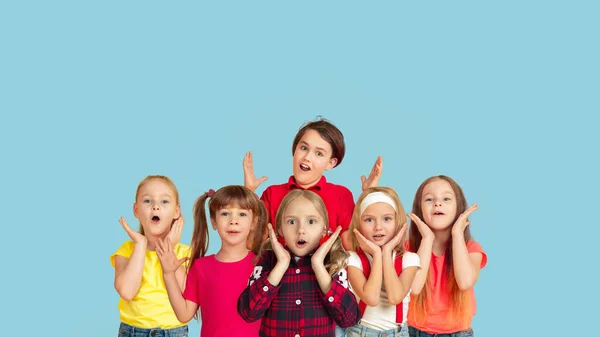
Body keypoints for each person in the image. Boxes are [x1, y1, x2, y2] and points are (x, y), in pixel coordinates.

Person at [238, 190, 361, 337]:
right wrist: (280, 266)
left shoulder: (333, 263)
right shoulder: (267, 261)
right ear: (280, 229)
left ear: (324, 230)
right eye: (291, 222)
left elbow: (349, 319)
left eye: (311, 221)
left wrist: (319, 268)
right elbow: (248, 313)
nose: (301, 230)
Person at [156, 185, 265, 337]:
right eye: (225, 213)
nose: (233, 221)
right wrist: (168, 273)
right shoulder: (201, 267)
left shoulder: (263, 265)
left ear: (253, 223)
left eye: (242, 214)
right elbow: (184, 314)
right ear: (214, 221)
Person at [407, 176, 488, 337]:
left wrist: (457, 234)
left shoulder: (472, 248)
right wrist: (427, 240)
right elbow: (414, 287)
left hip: (458, 333)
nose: (438, 203)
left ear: (458, 208)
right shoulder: (409, 248)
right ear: (419, 209)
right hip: (413, 332)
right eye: (429, 199)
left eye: (446, 198)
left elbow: (465, 282)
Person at [111, 175, 189, 337]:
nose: (155, 207)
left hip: (174, 332)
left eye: (164, 201)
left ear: (176, 211)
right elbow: (126, 291)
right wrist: (140, 245)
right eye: (147, 201)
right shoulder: (126, 251)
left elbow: (184, 295)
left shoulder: (186, 253)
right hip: (132, 332)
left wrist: (169, 249)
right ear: (136, 210)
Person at [346, 187, 421, 337]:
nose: (378, 227)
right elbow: (371, 298)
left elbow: (395, 297)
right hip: (360, 333)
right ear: (358, 225)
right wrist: (376, 254)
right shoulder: (352, 259)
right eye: (369, 220)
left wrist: (386, 253)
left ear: (398, 222)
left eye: (387, 219)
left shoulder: (409, 259)